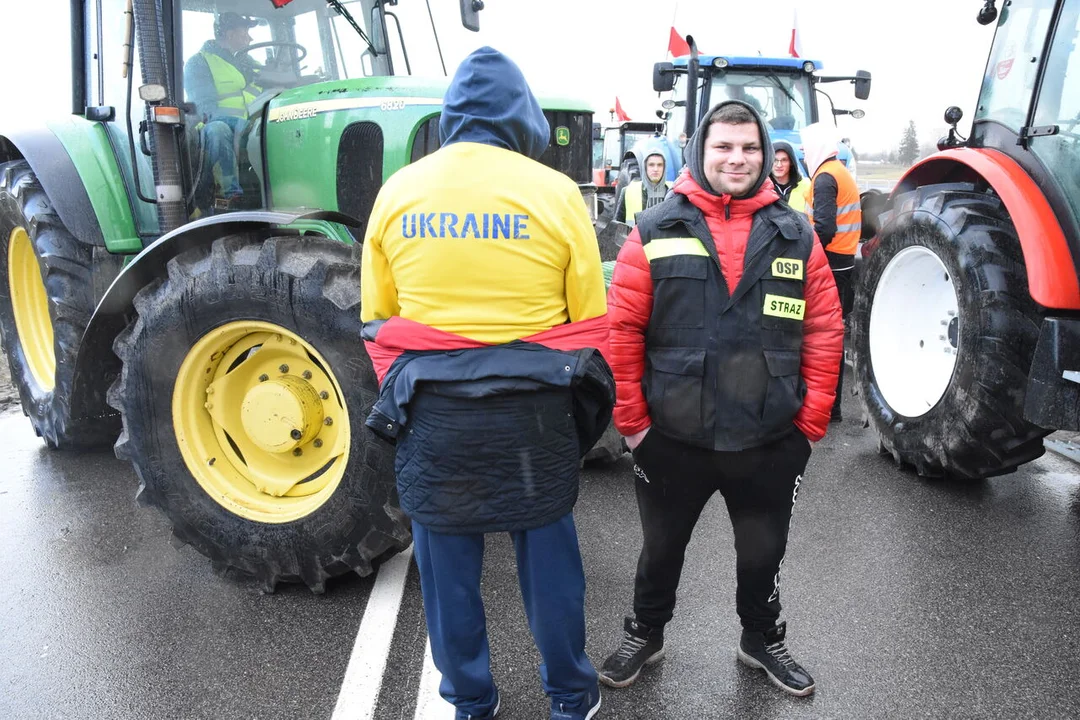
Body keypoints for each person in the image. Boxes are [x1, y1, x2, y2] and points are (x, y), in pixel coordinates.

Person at [360, 47, 611, 720]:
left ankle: (471, 702)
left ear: (450, 116)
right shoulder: (555, 193)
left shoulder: (398, 192)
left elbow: (378, 324)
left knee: (448, 581)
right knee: (552, 573)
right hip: (532, 417)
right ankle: (571, 697)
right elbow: (588, 329)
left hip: (437, 419)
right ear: (521, 117)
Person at [601, 100, 843, 697]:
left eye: (750, 148)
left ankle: (761, 639)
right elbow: (622, 331)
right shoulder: (655, 228)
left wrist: (809, 427)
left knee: (764, 551)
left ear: (765, 155)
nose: (738, 158)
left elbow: (824, 329)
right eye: (724, 147)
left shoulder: (796, 235)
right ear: (700, 153)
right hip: (673, 438)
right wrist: (633, 425)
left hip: (767, 439)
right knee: (660, 549)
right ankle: (646, 632)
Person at [801, 122, 862, 423]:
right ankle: (832, 406)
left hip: (831, 265)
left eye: (805, 147)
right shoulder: (838, 171)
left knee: (823, 336)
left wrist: (805, 253)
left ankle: (829, 406)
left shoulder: (825, 177)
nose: (802, 152)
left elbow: (824, 228)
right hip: (843, 263)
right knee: (832, 335)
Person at [183, 12, 262, 208]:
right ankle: (229, 195)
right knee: (218, 130)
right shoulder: (199, 63)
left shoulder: (246, 62)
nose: (250, 38)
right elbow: (205, 110)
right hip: (215, 131)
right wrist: (242, 124)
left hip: (251, 126)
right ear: (229, 33)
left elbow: (271, 80)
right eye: (245, 31)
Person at [614, 147, 670, 228]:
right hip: (637, 240)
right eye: (651, 165)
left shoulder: (673, 192)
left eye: (660, 165)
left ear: (664, 168)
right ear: (645, 167)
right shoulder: (628, 192)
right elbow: (618, 228)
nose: (655, 169)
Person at [771, 140, 811, 212]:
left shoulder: (806, 186)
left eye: (784, 160)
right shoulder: (761, 188)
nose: (779, 165)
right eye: (775, 160)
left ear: (791, 162)